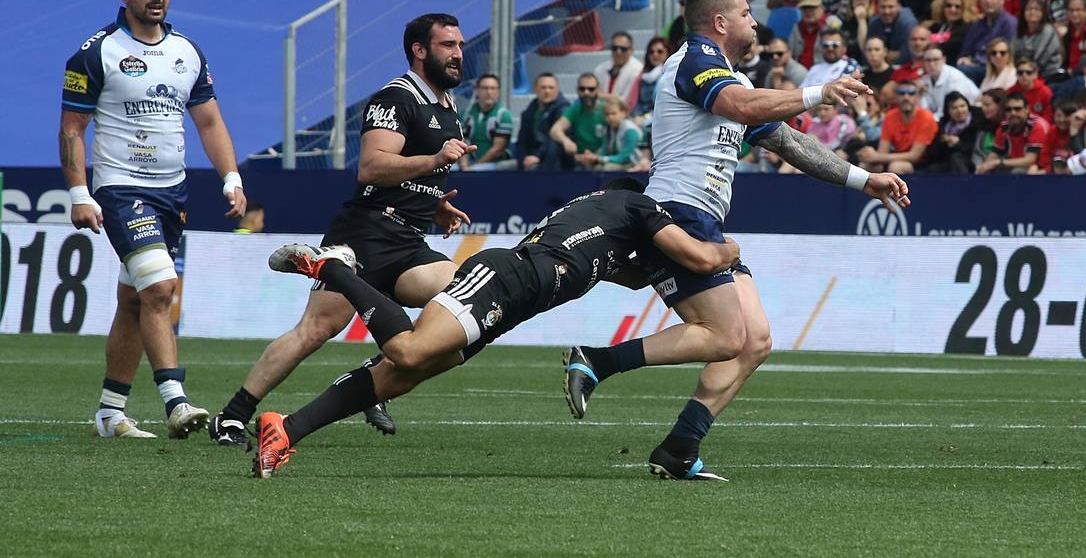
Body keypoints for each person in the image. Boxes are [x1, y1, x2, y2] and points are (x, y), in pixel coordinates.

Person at [559, 0, 907, 482]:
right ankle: (597, 360)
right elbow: (741, 109)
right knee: (725, 335)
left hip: (703, 220)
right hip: (675, 214)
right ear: (720, 23)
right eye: (746, 13)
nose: (755, 22)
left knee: (755, 340)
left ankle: (680, 446)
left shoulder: (735, 80)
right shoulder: (693, 61)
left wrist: (863, 179)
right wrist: (818, 92)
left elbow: (789, 144)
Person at [251, 182, 739, 479]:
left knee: (398, 375)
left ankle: (285, 431)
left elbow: (629, 277)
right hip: (508, 279)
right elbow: (698, 256)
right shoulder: (637, 205)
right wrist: (729, 252)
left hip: (515, 294)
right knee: (407, 353)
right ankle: (337, 271)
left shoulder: (596, 219)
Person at [210, 13, 472, 447]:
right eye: (448, 46)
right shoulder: (395, 97)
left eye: (460, 45)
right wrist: (433, 161)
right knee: (315, 330)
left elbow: (414, 173)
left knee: (464, 297)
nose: (458, 54)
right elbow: (371, 167)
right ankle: (233, 415)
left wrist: (435, 204)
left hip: (407, 239)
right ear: (419, 51)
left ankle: (376, 375)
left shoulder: (447, 106)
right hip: (364, 234)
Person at [61, 0, 247, 440]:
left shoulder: (187, 51)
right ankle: (176, 400)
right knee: (161, 290)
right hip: (120, 189)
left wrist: (231, 177)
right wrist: (80, 192)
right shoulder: (95, 52)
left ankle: (110, 412)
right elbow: (72, 129)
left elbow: (208, 120)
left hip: (172, 193)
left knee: (133, 300)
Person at [856, 81, 938, 174]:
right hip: (895, 157)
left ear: (917, 97)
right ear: (896, 97)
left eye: (911, 93)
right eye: (901, 93)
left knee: (896, 167)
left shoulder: (926, 117)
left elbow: (914, 156)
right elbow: (883, 151)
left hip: (923, 164)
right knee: (865, 166)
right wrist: (870, 155)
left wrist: (876, 156)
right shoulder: (890, 116)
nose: (906, 97)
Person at [459, 73, 515, 171]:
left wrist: (474, 167)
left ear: (498, 92)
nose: (489, 92)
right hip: (469, 162)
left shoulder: (503, 115)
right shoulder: (466, 114)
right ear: (477, 90)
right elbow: (462, 142)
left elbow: (497, 149)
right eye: (485, 88)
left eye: (493, 88)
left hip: (494, 163)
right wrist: (464, 166)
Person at [552, 73, 607, 170]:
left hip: (603, 156)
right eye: (582, 89)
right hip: (580, 158)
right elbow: (555, 130)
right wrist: (566, 141)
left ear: (598, 90)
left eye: (591, 89)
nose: (586, 93)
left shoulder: (606, 110)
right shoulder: (575, 109)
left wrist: (596, 156)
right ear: (577, 90)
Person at [515, 72, 568, 171]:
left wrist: (537, 156)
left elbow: (553, 140)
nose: (547, 91)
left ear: (557, 90)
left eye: (551, 88)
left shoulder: (563, 110)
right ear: (535, 89)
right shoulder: (528, 111)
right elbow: (522, 141)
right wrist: (522, 161)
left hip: (552, 162)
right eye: (543, 87)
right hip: (528, 161)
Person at [594, 31, 644, 103]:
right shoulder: (600, 68)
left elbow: (626, 100)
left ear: (631, 50)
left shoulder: (638, 69)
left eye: (623, 49)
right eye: (615, 48)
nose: (618, 52)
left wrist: (600, 96)